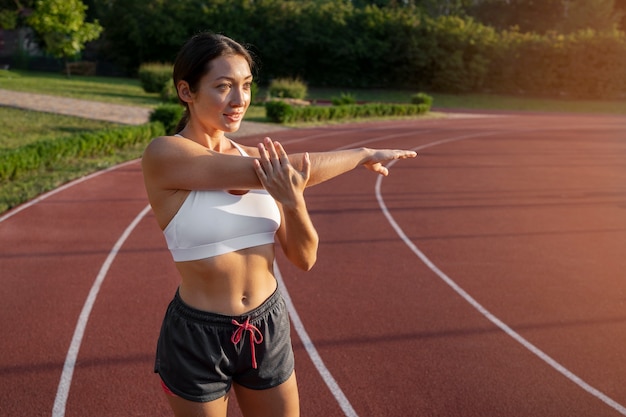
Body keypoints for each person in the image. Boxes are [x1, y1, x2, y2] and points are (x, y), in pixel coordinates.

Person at [141, 32, 417, 417]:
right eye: (223, 87)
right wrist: (362, 154)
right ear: (186, 91)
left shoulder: (262, 163)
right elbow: (278, 170)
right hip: (197, 335)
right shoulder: (165, 154)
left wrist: (292, 200)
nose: (239, 101)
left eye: (246, 86)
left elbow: (304, 259)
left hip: (266, 324)